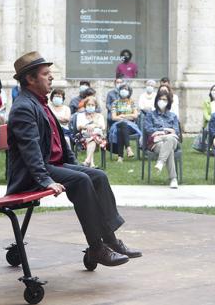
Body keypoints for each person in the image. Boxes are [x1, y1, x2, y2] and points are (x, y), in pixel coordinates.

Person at [7, 51, 141, 267]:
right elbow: (30, 152)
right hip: (32, 174)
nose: (51, 77)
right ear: (30, 79)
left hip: (52, 165)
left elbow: (59, 141)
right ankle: (97, 247)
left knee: (97, 175)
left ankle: (110, 240)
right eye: (45, 74)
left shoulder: (40, 102)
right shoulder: (24, 107)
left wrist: (75, 166)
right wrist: (47, 181)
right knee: (81, 181)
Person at [143, 89, 181, 188]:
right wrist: (166, 130)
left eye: (165, 100)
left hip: (169, 139)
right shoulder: (150, 115)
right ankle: (173, 179)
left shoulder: (173, 116)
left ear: (168, 102)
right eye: (160, 99)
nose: (162, 101)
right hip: (157, 143)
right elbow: (148, 129)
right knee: (170, 150)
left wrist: (161, 132)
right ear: (156, 101)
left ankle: (160, 162)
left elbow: (176, 131)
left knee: (170, 139)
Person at [110, 84, 140, 163]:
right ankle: (128, 148)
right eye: (122, 89)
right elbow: (113, 117)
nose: (123, 91)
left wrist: (123, 116)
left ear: (129, 92)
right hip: (117, 125)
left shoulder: (132, 102)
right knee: (122, 125)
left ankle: (120, 157)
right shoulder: (115, 103)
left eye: (126, 89)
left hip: (131, 127)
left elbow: (135, 115)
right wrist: (128, 117)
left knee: (121, 128)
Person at [75, 96, 107, 168]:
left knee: (92, 137)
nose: (90, 106)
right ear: (85, 105)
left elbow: (103, 127)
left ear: (95, 106)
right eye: (88, 105)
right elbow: (78, 126)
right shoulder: (80, 115)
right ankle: (90, 163)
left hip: (98, 137)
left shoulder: (100, 116)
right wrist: (87, 126)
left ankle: (87, 161)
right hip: (83, 136)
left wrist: (94, 125)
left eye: (92, 105)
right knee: (91, 139)